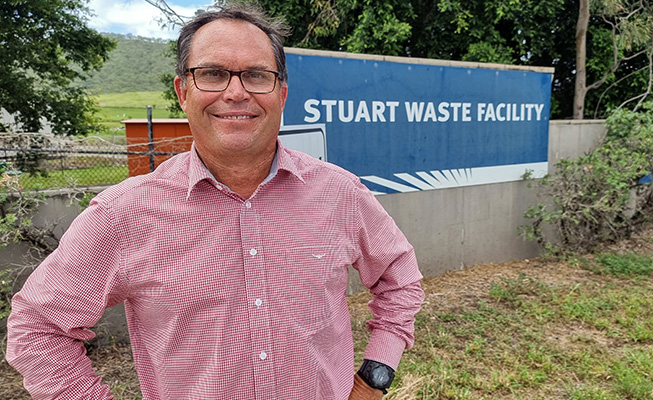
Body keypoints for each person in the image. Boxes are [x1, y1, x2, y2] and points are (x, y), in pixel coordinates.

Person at [6, 6, 424, 400]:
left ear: (281, 93)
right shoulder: (124, 214)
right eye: (213, 74)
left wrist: (374, 376)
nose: (236, 92)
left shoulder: (339, 193)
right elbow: (37, 329)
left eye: (257, 75)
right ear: (182, 91)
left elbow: (400, 279)